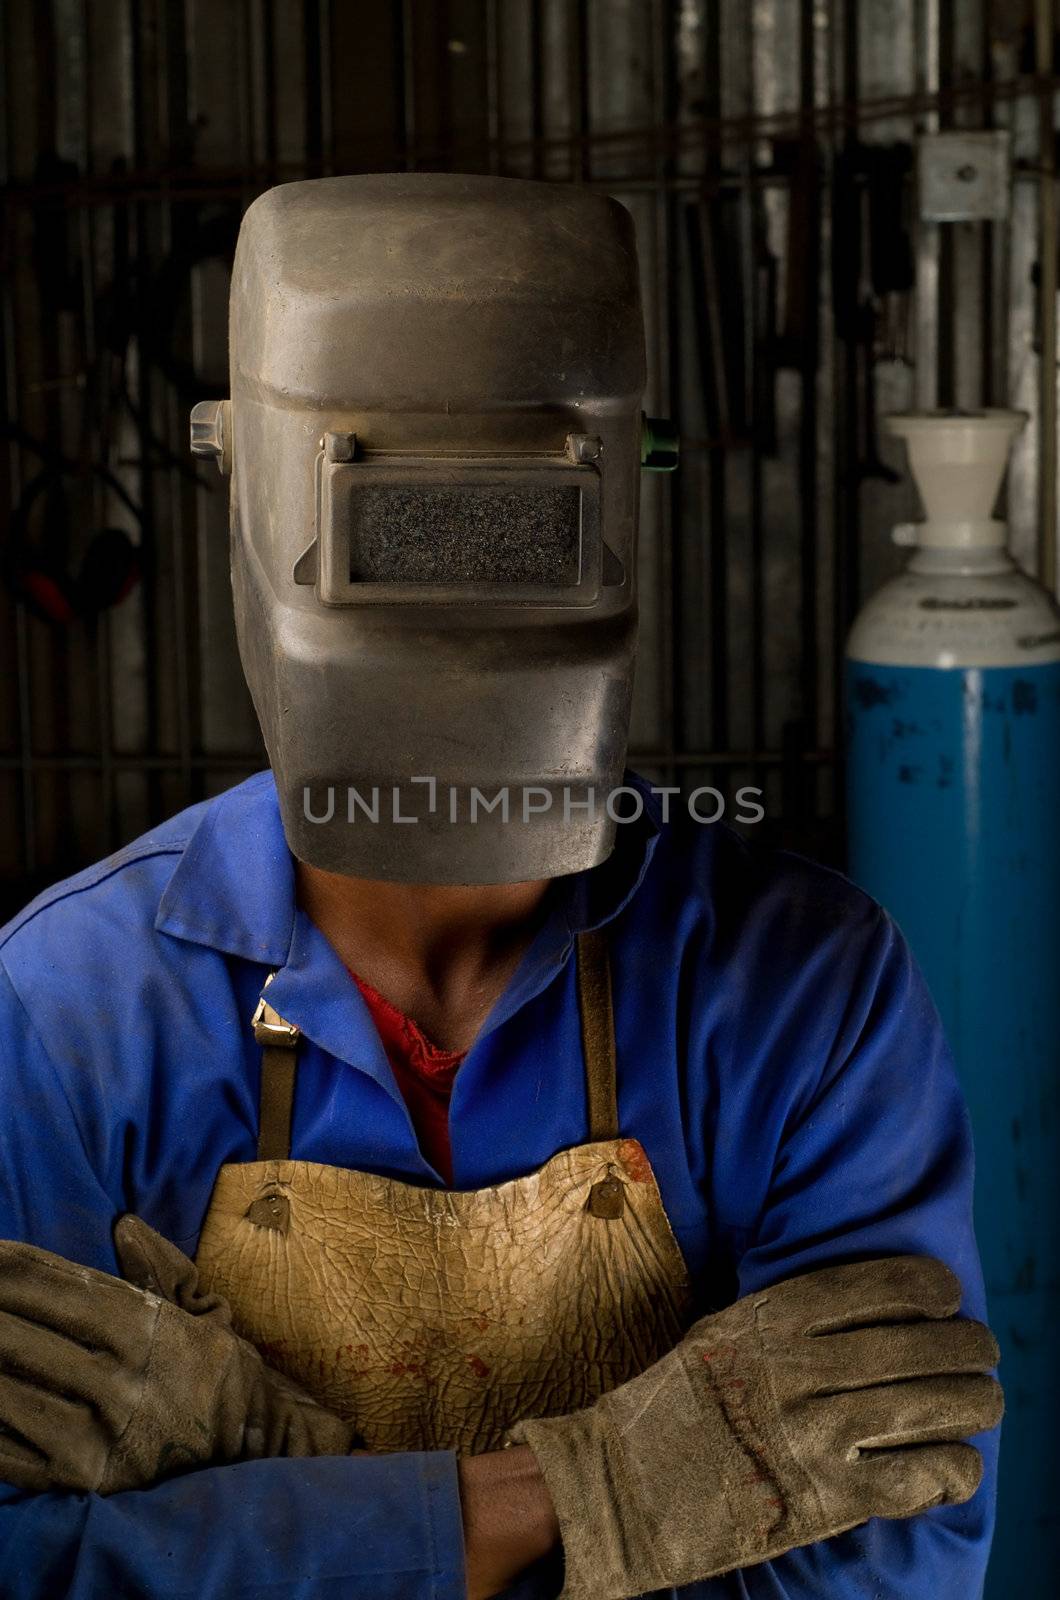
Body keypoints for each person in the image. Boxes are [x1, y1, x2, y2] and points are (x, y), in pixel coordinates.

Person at [0, 175, 1000, 1600]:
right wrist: (583, 1504)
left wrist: (274, 1486)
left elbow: (896, 1555)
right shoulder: (71, 1012)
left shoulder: (804, 994)